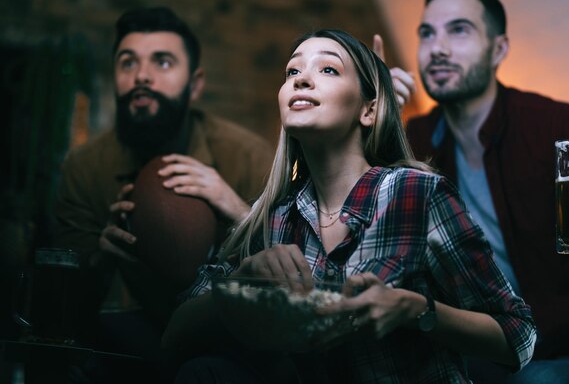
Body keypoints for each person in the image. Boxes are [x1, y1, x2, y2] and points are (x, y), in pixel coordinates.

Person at [162, 29, 537, 384]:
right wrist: (239, 282)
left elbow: (518, 335)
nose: (301, 79)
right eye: (292, 70)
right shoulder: (274, 219)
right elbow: (172, 339)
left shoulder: (417, 194)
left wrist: (415, 310)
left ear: (369, 110)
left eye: (327, 68)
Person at [381, 0, 569, 384]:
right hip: (487, 350)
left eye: (459, 30)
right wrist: (374, 121)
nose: (437, 47)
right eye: (427, 33)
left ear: (499, 49)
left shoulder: (562, 128)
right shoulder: (415, 140)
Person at [52, 7, 273, 383]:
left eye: (163, 63)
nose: (141, 76)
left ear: (195, 84)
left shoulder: (248, 157)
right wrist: (98, 257)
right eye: (127, 63)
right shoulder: (84, 168)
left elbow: (285, 278)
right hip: (124, 339)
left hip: (224, 339)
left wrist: (237, 210)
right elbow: (61, 304)